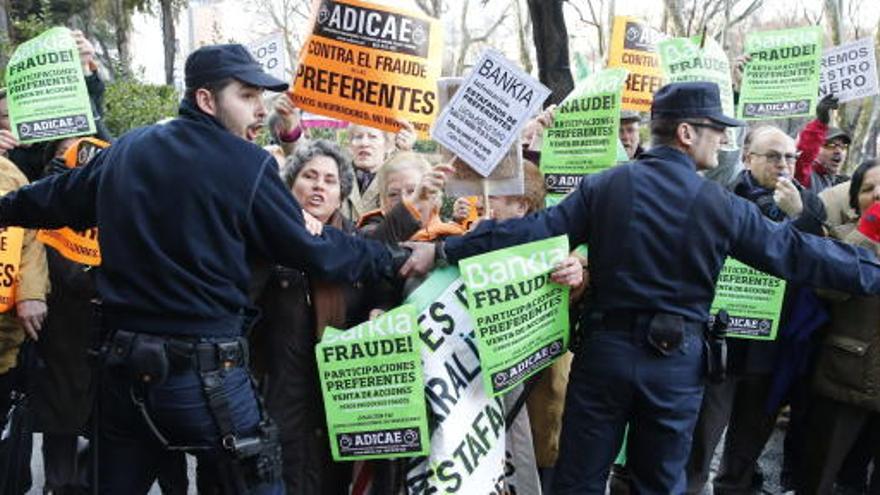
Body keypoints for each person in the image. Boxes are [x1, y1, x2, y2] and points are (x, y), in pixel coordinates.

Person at [0, 43, 434, 494]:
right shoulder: (244, 165)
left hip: (124, 371)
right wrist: (392, 256)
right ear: (206, 100)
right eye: (247, 97)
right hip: (205, 376)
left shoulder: (128, 148)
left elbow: (49, 200)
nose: (260, 110)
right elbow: (316, 250)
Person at [416, 81, 880, 493]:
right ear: (685, 133)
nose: (723, 138)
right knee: (659, 483)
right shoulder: (720, 205)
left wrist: (444, 250)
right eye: (715, 127)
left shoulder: (604, 186)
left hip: (603, 357)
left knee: (578, 480)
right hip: (675, 366)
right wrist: (870, 268)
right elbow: (796, 255)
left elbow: (535, 231)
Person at [685, 126, 826, 494]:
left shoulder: (810, 204)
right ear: (748, 159)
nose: (784, 164)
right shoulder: (721, 196)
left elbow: (818, 262)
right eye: (773, 156)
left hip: (771, 353)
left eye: (790, 157)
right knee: (699, 447)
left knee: (745, 455)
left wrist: (799, 216)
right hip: (720, 345)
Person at [801, 159, 880, 494]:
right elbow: (828, 289)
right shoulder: (844, 238)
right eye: (868, 189)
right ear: (853, 201)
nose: (879, 195)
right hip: (846, 377)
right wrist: (868, 235)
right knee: (819, 475)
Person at [794, 94, 851, 194]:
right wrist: (821, 122)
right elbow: (803, 156)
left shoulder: (845, 184)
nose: (838, 151)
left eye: (843, 147)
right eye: (830, 145)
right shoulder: (805, 176)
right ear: (815, 148)